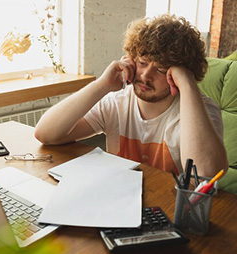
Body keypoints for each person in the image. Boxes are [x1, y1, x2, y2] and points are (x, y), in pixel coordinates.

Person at [35, 14, 228, 178]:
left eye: (160, 69)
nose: (145, 75)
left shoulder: (200, 110)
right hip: (119, 200)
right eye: (143, 63)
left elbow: (206, 174)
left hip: (170, 208)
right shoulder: (116, 102)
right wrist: (102, 85)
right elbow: (46, 134)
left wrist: (188, 85)